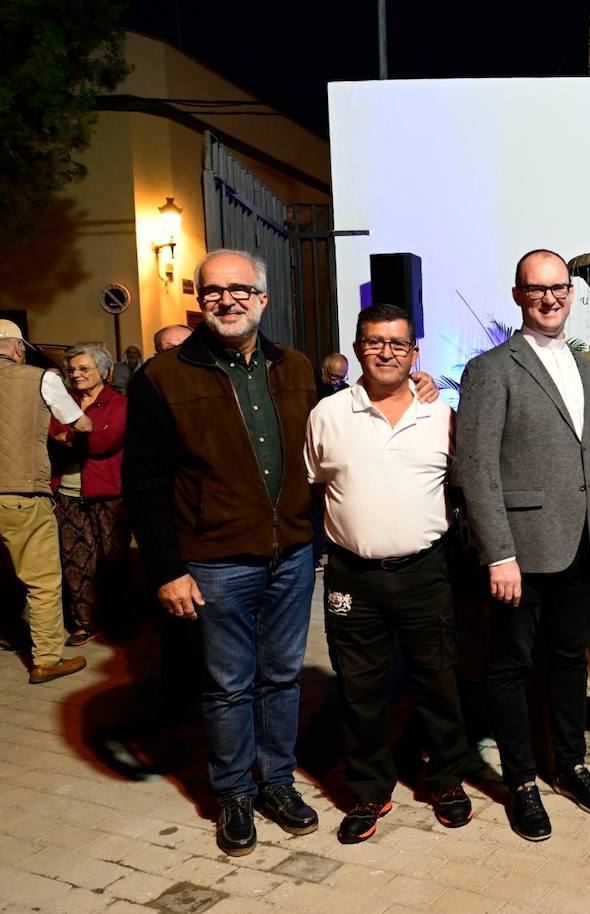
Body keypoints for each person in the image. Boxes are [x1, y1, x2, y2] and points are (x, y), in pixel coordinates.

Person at [124, 249, 322, 857]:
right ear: (200, 300)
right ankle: (234, 793)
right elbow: (144, 481)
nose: (227, 300)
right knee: (228, 685)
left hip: (291, 554)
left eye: (240, 289)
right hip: (214, 561)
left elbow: (337, 433)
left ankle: (277, 782)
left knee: (282, 678)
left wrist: (416, 385)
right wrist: (167, 570)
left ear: (262, 298)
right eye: (213, 291)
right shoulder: (162, 376)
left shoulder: (296, 367)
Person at [455, 249, 590, 841]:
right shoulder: (491, 368)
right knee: (510, 667)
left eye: (559, 288)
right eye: (537, 288)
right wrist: (499, 552)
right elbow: (476, 466)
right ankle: (522, 781)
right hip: (520, 553)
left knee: (569, 662)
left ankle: (570, 765)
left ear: (571, 293)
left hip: (580, 545)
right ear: (519, 295)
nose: (550, 298)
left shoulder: (585, 368)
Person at [306, 303, 472, 844]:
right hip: (352, 575)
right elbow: (315, 487)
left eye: (398, 343)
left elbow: (459, 489)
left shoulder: (440, 417)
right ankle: (369, 789)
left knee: (438, 682)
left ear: (414, 353)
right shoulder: (328, 414)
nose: (386, 352)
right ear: (358, 349)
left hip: (425, 571)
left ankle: (445, 780)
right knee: (360, 690)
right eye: (375, 342)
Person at [0, 319, 90, 683]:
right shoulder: (41, 378)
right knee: (42, 581)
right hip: (22, 493)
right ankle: (47, 659)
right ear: (18, 349)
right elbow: (81, 424)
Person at [49, 345, 129, 646]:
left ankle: (119, 620)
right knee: (75, 562)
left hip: (110, 494)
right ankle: (85, 623)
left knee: (114, 561)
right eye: (72, 370)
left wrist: (70, 437)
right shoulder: (63, 402)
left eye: (84, 368)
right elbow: (51, 435)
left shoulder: (119, 404)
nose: (76, 374)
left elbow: (104, 442)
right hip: (68, 494)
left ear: (104, 372)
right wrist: (79, 435)